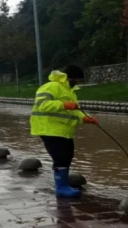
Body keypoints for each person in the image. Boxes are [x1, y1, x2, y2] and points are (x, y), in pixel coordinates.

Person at [30, 64, 99, 198]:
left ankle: (63, 185)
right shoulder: (51, 86)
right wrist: (64, 104)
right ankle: (61, 187)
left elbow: (75, 111)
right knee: (60, 157)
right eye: (77, 80)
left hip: (64, 131)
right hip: (49, 129)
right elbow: (42, 104)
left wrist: (86, 118)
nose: (78, 83)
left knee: (67, 156)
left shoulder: (69, 92)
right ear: (70, 77)